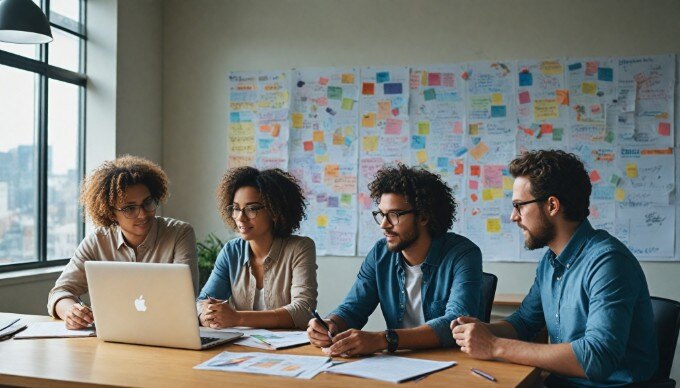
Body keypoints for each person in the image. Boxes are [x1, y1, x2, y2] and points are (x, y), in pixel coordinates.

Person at [452, 150, 658, 387]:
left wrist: (494, 345)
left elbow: (598, 357)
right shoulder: (550, 261)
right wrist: (482, 331)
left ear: (552, 205)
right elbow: (524, 323)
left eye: (519, 206)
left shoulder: (609, 262)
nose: (513, 217)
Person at [307, 164, 482, 357]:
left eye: (394, 215)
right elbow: (353, 308)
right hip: (398, 360)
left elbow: (456, 324)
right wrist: (330, 324)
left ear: (423, 217)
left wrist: (383, 339)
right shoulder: (380, 254)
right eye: (381, 214)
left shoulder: (463, 254)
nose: (384, 225)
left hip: (451, 362)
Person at [48, 155, 198, 329]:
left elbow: (185, 297)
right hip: (111, 336)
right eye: (129, 208)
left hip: (166, 330)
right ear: (111, 213)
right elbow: (60, 292)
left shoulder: (179, 233)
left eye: (147, 202)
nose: (142, 214)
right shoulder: (97, 241)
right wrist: (70, 311)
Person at [197, 167, 317, 330]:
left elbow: (303, 310)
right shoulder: (231, 251)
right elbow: (203, 301)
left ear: (275, 211)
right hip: (242, 348)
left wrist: (238, 318)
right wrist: (205, 313)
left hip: (288, 351)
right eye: (236, 208)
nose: (241, 217)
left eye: (252, 208)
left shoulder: (300, 248)